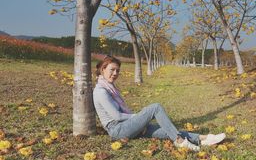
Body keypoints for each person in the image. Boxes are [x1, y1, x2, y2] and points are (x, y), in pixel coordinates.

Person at [93, 56, 226, 151]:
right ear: (103, 69)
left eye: (117, 71)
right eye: (112, 70)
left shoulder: (110, 88)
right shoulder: (101, 91)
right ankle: (179, 142)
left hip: (127, 126)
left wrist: (140, 121)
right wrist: (140, 117)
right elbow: (116, 116)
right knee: (155, 107)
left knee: (168, 130)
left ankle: (204, 139)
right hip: (118, 130)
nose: (115, 73)